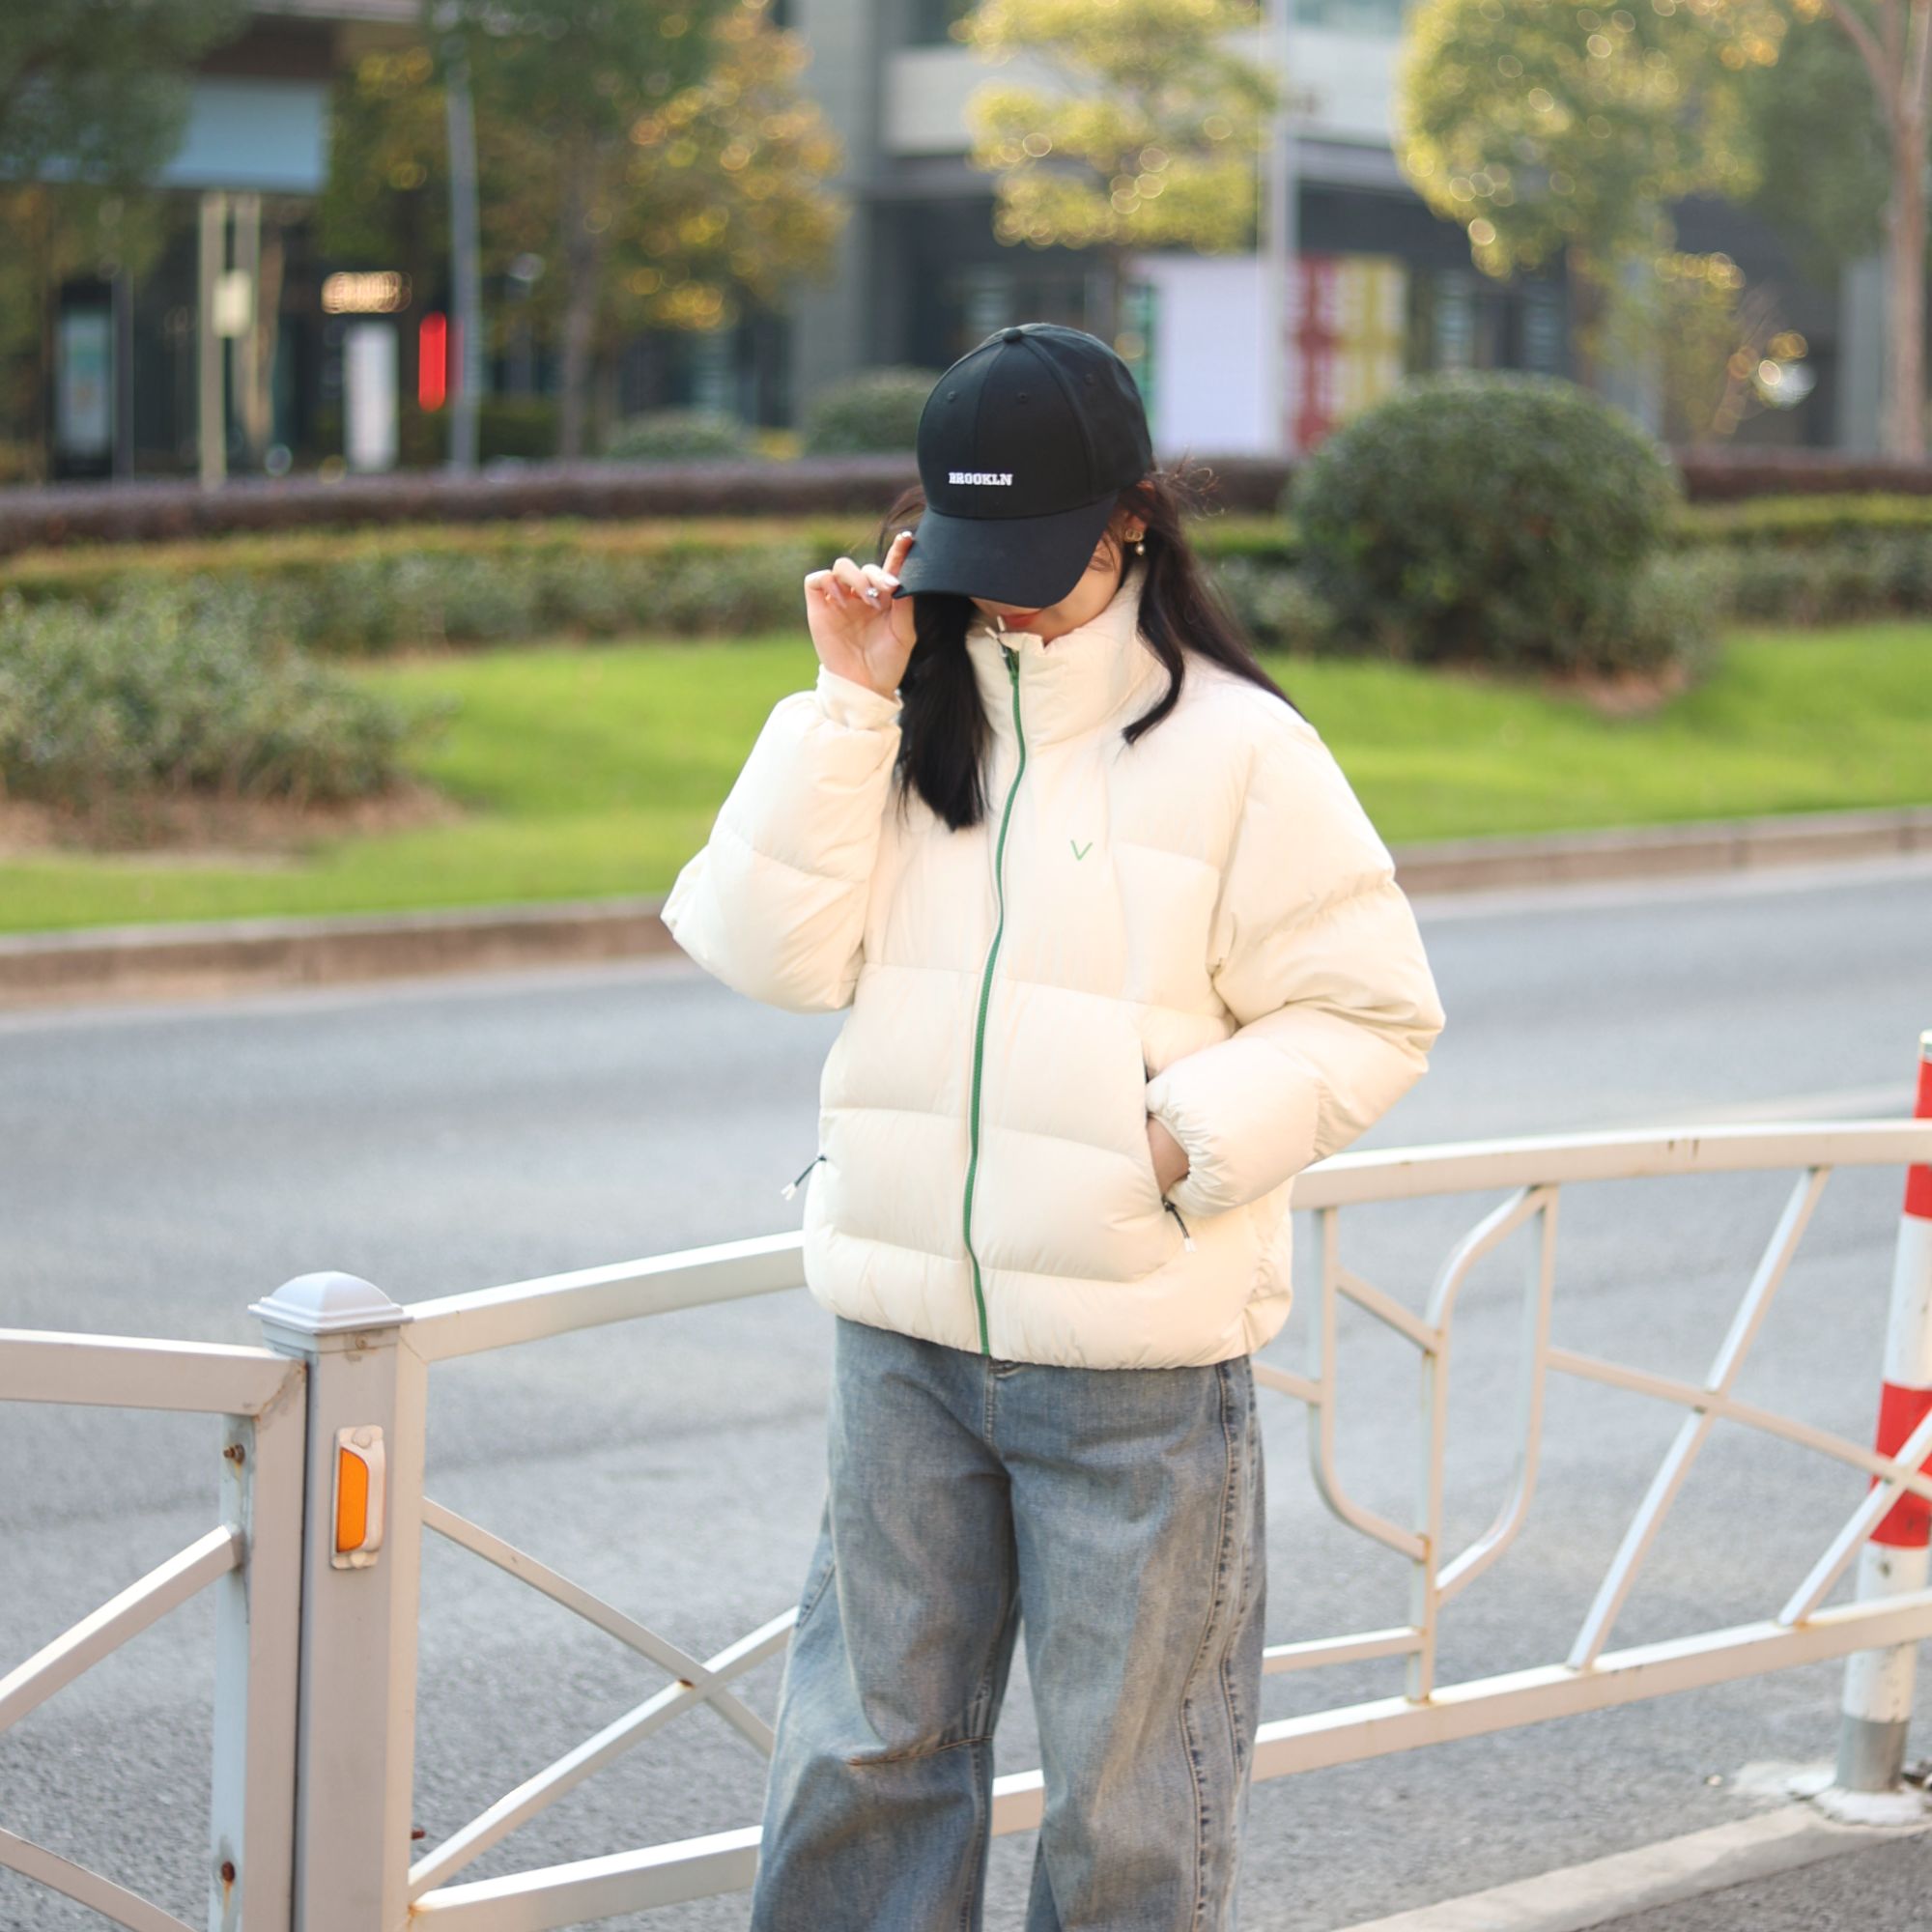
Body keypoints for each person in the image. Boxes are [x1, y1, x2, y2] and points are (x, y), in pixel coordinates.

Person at [659, 322, 1446, 1931]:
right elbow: (764, 952)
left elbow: (1372, 1013)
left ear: (1133, 519)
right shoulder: (897, 719)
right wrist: (843, 703)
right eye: (976, 556)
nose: (1004, 597)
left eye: (1039, 559)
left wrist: (1167, 1148)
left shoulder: (1245, 750)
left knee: (1128, 1801)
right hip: (903, 1343)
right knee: (861, 1761)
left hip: (1133, 1375)